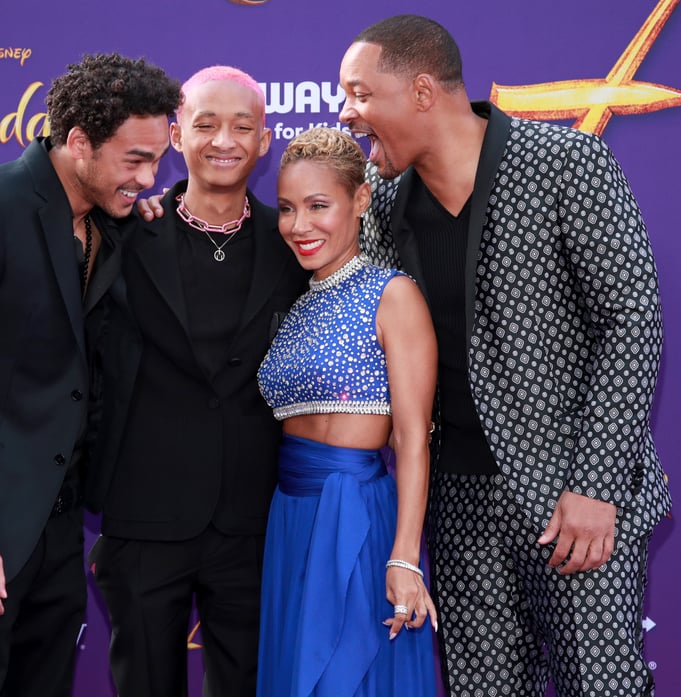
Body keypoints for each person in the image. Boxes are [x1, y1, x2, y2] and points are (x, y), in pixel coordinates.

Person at [339, 14, 672, 697]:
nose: (348, 113)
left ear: (423, 92)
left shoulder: (565, 164)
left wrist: (598, 484)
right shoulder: (386, 208)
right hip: (457, 505)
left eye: (360, 93)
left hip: (575, 501)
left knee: (600, 686)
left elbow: (631, 318)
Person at [0, 53, 181, 697]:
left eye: (158, 159)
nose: (149, 176)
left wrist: (136, 209)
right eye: (135, 159)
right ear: (78, 142)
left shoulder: (109, 219)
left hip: (56, 525)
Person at [85, 66, 309, 696]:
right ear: (176, 132)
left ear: (266, 141)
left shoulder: (294, 241)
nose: (224, 140)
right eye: (206, 124)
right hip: (144, 513)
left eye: (243, 126)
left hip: (255, 515)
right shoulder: (126, 231)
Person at [255, 126, 439, 696]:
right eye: (286, 209)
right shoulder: (295, 304)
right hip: (290, 518)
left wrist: (405, 558)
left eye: (318, 206)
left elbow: (412, 439)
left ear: (360, 200)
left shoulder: (393, 294)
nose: (298, 226)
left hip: (356, 517)